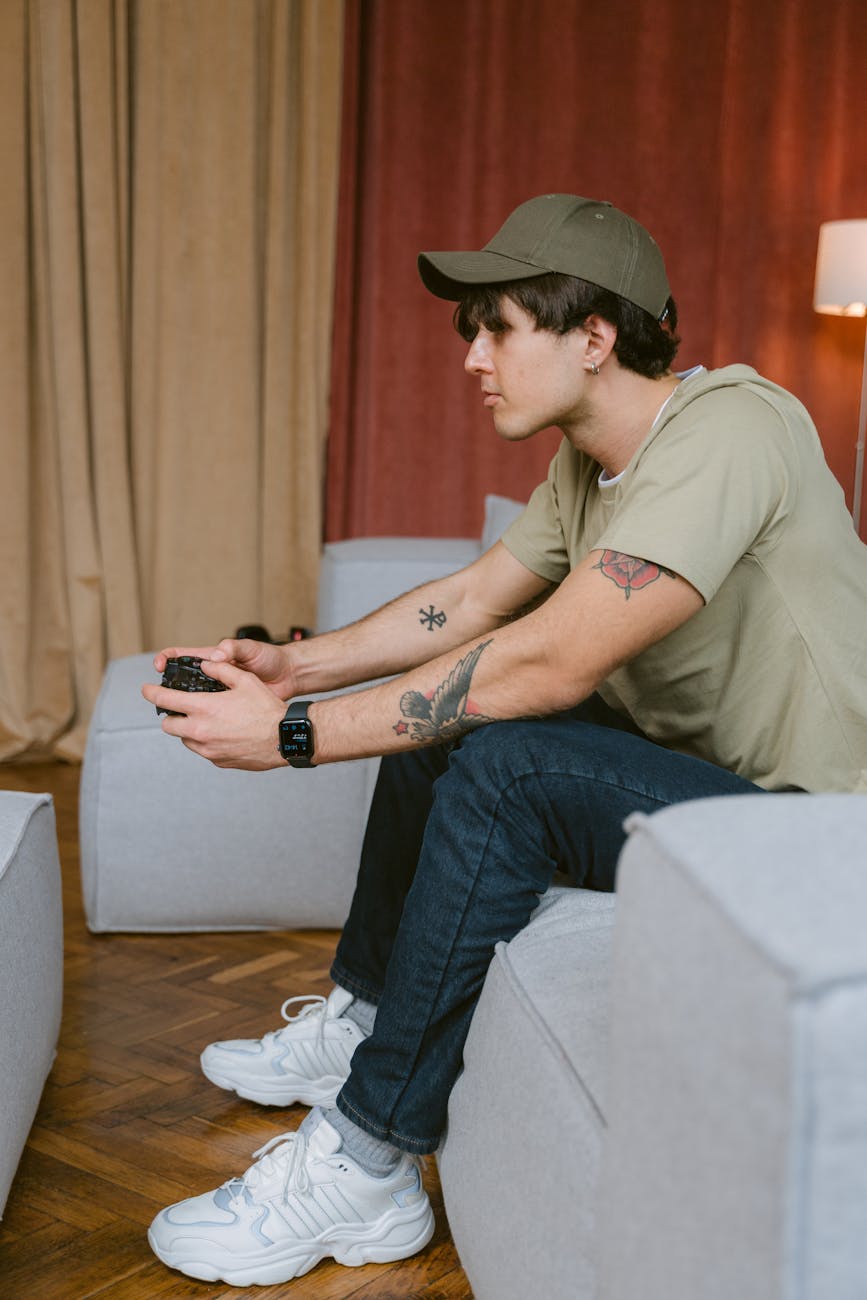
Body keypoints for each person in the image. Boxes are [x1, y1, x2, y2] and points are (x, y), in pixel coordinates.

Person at [142, 193, 867, 1286]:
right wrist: (306, 665)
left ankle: (371, 1158)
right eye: (469, 331)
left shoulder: (736, 427)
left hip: (816, 836)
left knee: (508, 751)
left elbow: (549, 662)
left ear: (593, 336)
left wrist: (290, 735)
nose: (473, 357)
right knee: (444, 723)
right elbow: (476, 602)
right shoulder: (584, 468)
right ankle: (368, 1018)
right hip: (715, 794)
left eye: (498, 327)